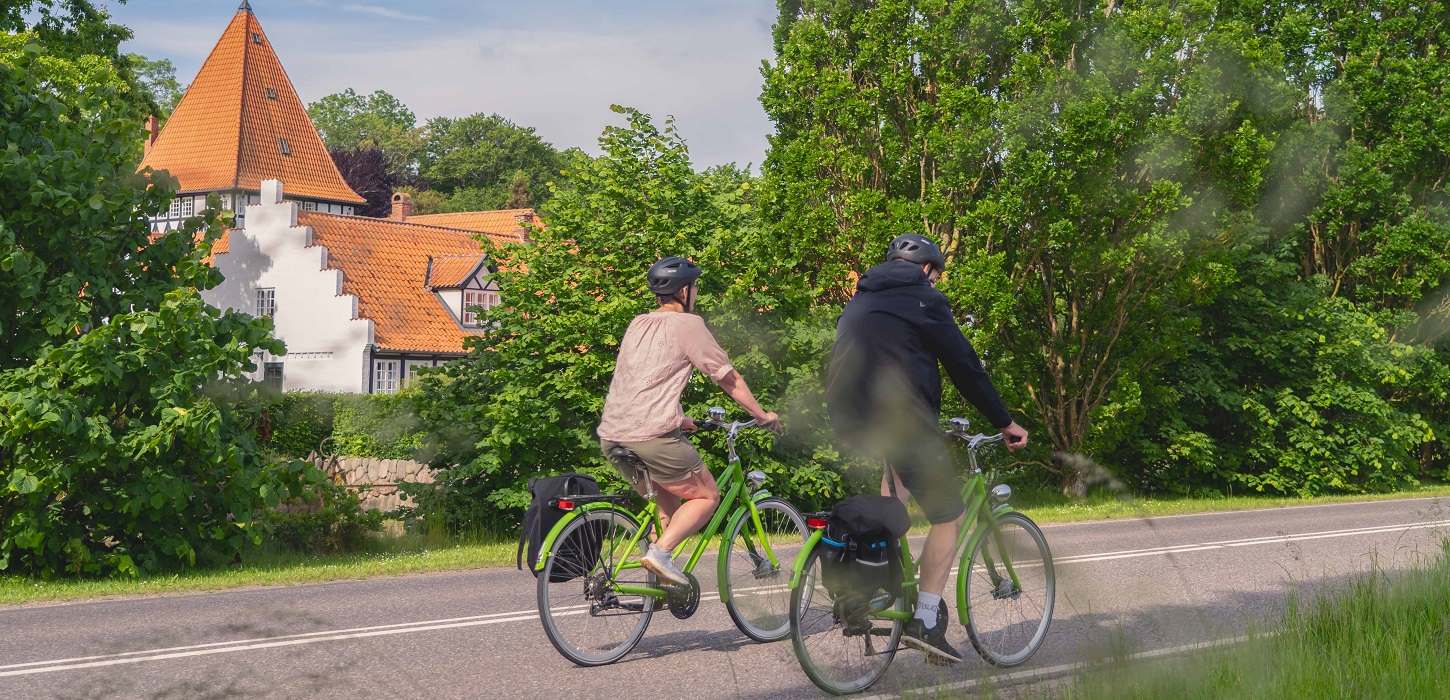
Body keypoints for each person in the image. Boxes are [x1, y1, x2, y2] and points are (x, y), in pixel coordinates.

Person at [826, 233, 1029, 664]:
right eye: (936, 276)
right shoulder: (923, 299)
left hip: (849, 416)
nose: (936, 284)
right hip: (901, 418)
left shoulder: (861, 298)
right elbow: (965, 365)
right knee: (949, 515)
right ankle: (925, 619)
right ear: (925, 270)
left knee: (894, 493)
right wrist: (1004, 422)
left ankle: (877, 585)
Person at [597, 256, 780, 586]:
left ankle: (663, 582)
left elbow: (641, 380)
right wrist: (762, 414)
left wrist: (679, 417)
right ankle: (660, 554)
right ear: (685, 290)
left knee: (668, 508)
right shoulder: (689, 324)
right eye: (695, 287)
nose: (695, 292)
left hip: (612, 435)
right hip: (650, 435)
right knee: (706, 496)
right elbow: (728, 378)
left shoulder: (637, 323)